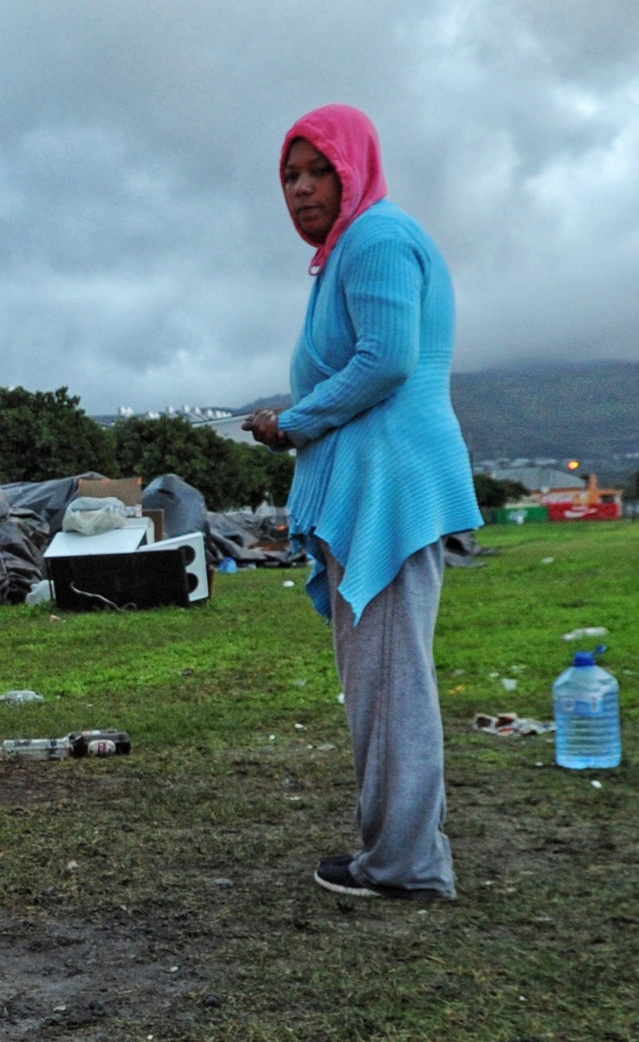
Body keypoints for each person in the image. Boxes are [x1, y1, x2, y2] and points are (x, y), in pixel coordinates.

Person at [249, 106, 481, 902]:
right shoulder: (355, 246)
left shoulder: (377, 238)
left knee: (390, 682)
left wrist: (294, 421)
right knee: (386, 680)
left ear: (355, 169)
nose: (302, 189)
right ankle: (400, 850)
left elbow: (387, 360)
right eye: (290, 175)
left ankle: (406, 865)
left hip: (389, 487)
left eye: (319, 171)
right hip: (381, 481)